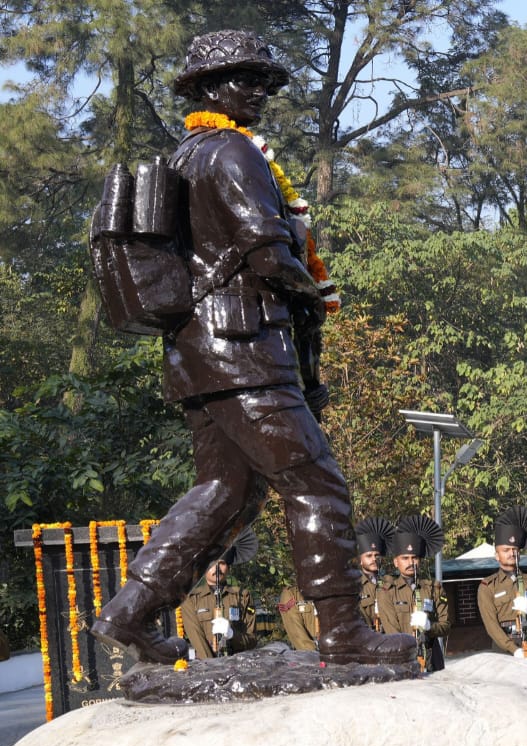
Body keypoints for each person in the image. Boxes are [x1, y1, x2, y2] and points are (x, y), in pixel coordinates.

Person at [87, 30, 413, 666]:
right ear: (208, 88)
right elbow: (268, 253)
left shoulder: (189, 155)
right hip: (244, 352)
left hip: (198, 356)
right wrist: (316, 293)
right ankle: (343, 632)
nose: (260, 91)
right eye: (246, 79)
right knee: (316, 484)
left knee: (224, 493)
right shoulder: (232, 152)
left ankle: (127, 616)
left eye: (265, 82)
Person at [376, 515, 450, 671]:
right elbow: (392, 632)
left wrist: (429, 626)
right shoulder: (387, 592)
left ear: (420, 560)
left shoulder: (434, 588)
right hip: (402, 660)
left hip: (432, 660)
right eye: (405, 558)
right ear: (396, 562)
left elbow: (446, 626)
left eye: (414, 558)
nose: (410, 563)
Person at [177, 529, 257, 660]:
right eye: (212, 564)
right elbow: (198, 641)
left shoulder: (243, 596)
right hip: (207, 666)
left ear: (228, 567)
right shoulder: (191, 600)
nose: (217, 569)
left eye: (222, 563)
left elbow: (252, 641)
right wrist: (214, 667)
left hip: (238, 664)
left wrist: (232, 634)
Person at [477, 506, 527, 657]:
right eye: (506, 550)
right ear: (497, 555)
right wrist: (513, 649)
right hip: (504, 650)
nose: (511, 553)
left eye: (515, 549)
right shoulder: (488, 586)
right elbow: (491, 626)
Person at [355, 516, 394, 630]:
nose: (374, 559)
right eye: (369, 556)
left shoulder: (390, 583)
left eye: (377, 555)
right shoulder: (354, 586)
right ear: (360, 560)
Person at [276, 585, 317, 651]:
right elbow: (297, 635)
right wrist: (314, 653)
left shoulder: (330, 590)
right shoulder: (292, 594)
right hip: (311, 652)